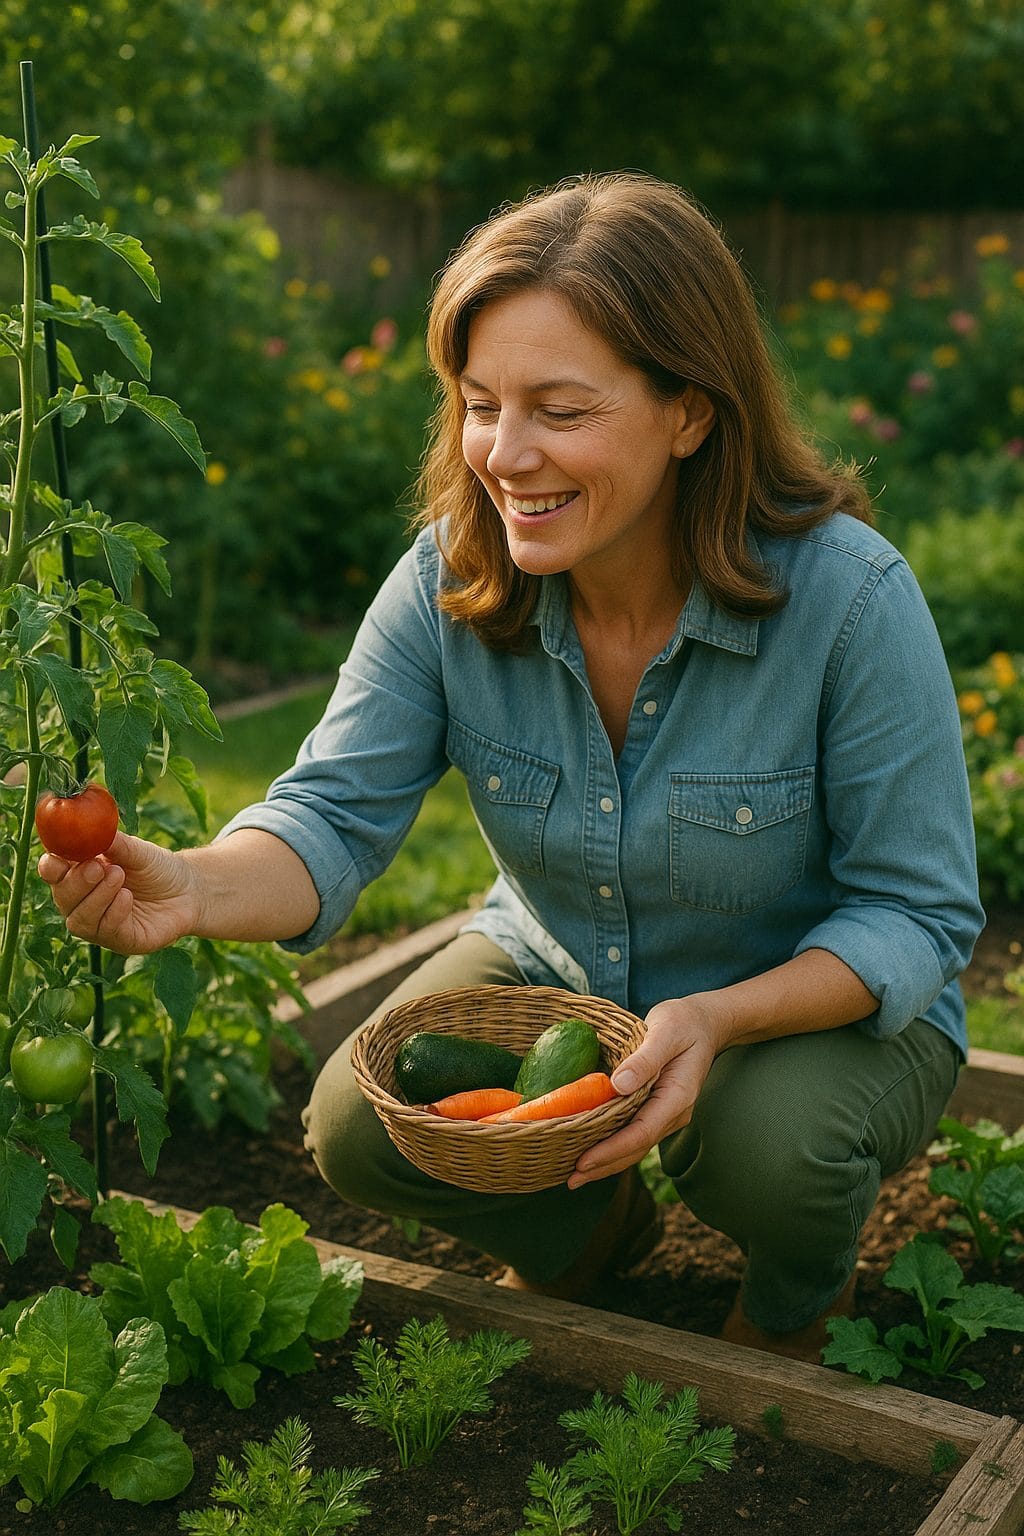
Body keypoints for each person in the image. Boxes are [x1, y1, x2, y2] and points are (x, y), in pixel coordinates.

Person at [40, 172, 984, 1362]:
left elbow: (917, 912)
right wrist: (191, 885)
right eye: (480, 403)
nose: (504, 453)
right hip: (560, 960)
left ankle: (798, 1303)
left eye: (560, 410)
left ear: (690, 410)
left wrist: (715, 1019)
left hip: (806, 1011)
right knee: (358, 1125)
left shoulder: (848, 603)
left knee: (769, 1148)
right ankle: (589, 1237)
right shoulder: (450, 579)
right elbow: (332, 812)